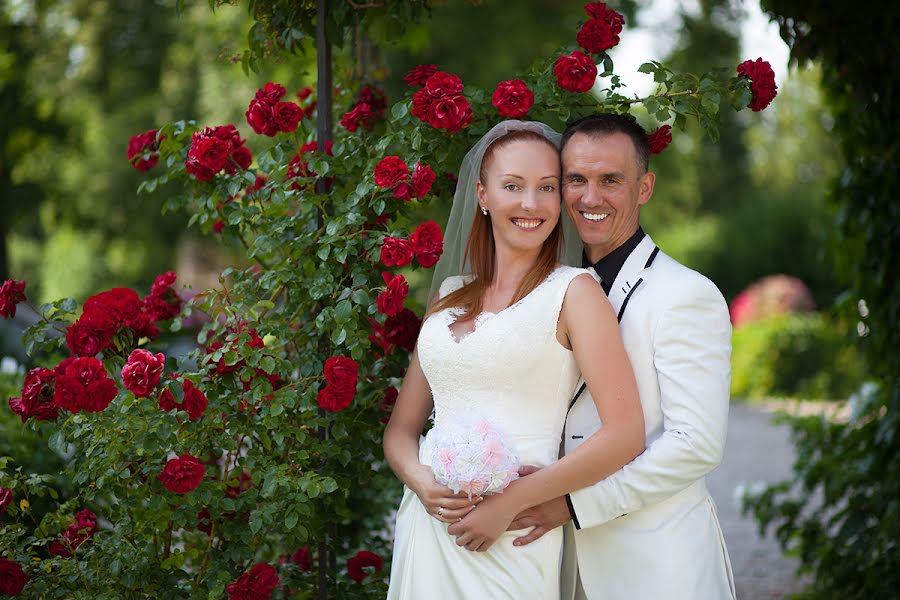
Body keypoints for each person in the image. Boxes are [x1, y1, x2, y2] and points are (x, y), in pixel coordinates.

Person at [383, 120, 645, 599]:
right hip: (428, 530)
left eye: (547, 187)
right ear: (482, 196)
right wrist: (422, 483)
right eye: (513, 186)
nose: (531, 204)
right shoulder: (448, 296)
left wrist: (514, 502)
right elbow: (401, 431)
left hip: (511, 536)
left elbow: (626, 434)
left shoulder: (575, 293)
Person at [506, 114, 736, 600]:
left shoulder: (686, 295)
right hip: (552, 565)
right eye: (576, 180)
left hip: (656, 565)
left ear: (645, 186)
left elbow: (695, 445)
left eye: (611, 180)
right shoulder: (549, 290)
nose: (590, 197)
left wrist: (571, 505)